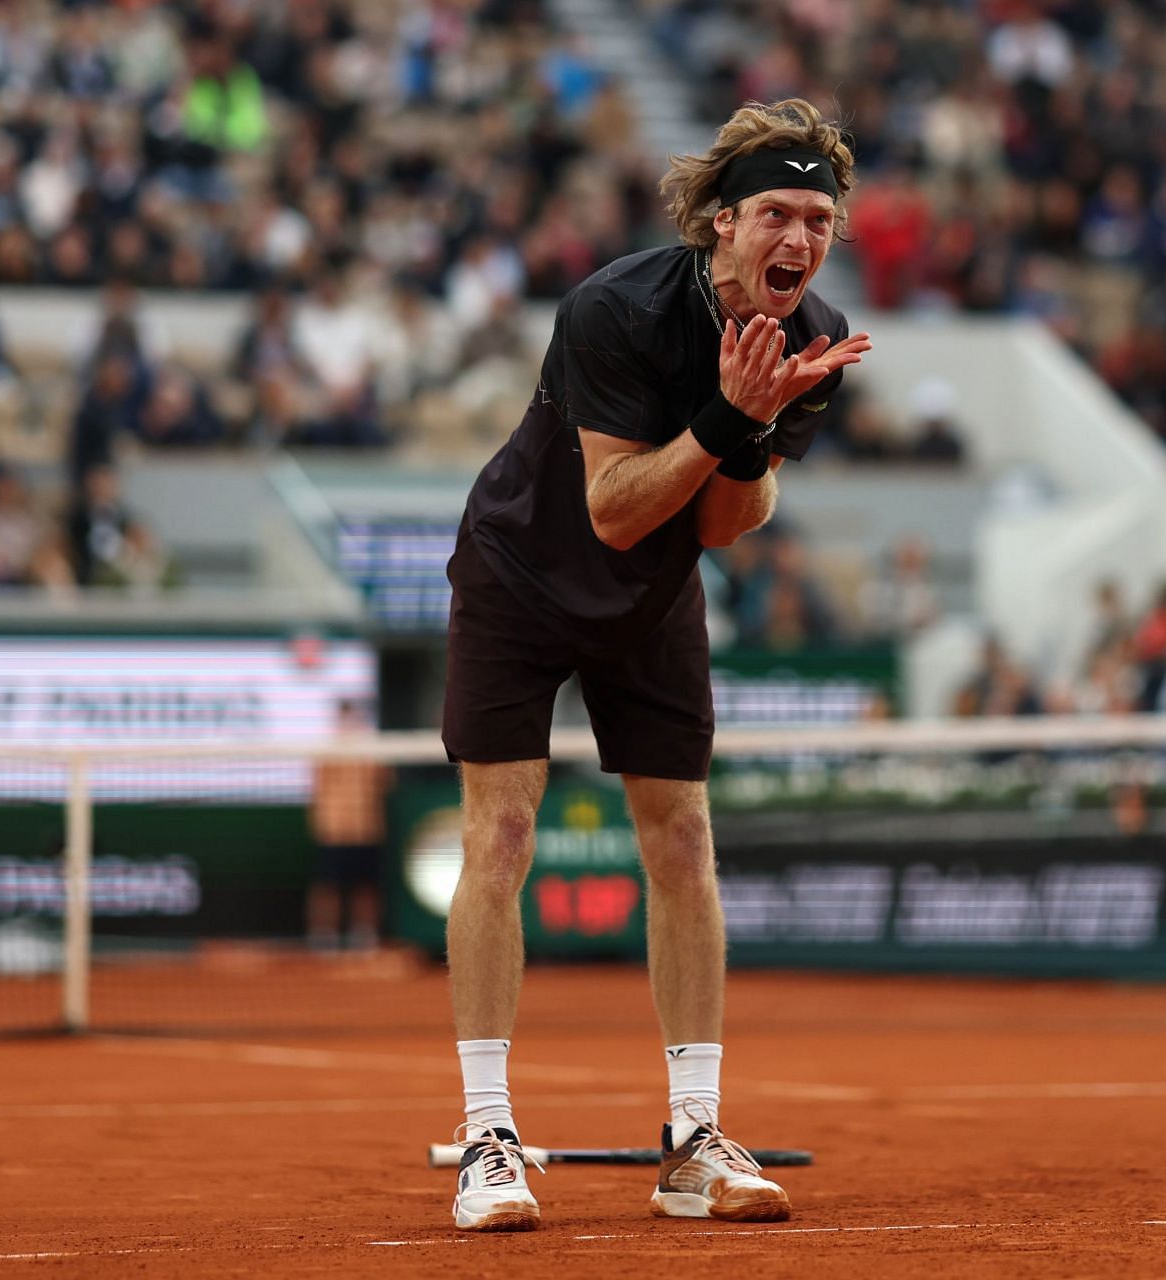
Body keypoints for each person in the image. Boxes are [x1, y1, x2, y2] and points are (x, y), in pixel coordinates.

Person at [438, 98, 870, 1233]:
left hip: (656, 596)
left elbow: (727, 523)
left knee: (683, 838)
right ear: (719, 224)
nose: (801, 239)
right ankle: (488, 1137)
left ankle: (693, 1134)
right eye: (777, 212)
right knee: (503, 831)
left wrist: (755, 425)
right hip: (520, 578)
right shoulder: (612, 310)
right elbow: (617, 510)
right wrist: (730, 414)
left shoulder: (813, 336)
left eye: (819, 219)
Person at [306, 699, 390, 951]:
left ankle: (364, 935)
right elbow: (318, 790)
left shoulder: (371, 751)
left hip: (366, 830)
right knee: (328, 886)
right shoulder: (327, 751)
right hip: (335, 831)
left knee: (366, 886)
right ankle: (323, 936)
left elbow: (386, 781)